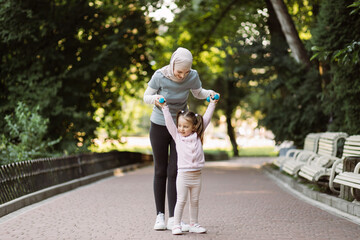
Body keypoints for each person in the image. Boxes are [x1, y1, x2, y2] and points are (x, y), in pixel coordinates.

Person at [143, 47, 217, 231]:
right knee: (160, 170)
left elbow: (198, 92)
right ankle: (160, 215)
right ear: (172, 64)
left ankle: (174, 218)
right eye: (179, 72)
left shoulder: (192, 76)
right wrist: (156, 99)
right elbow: (146, 96)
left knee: (175, 171)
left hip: (182, 127)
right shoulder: (160, 75)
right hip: (160, 124)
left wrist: (209, 94)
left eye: (186, 71)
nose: (182, 76)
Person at [158, 95, 218, 235]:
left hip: (197, 175)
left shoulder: (197, 136)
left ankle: (194, 224)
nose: (181, 129)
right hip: (183, 176)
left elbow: (206, 119)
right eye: (180, 125)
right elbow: (169, 123)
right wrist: (164, 108)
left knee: (195, 201)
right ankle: (176, 225)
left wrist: (212, 104)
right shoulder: (177, 137)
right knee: (181, 200)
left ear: (193, 127)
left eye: (185, 126)